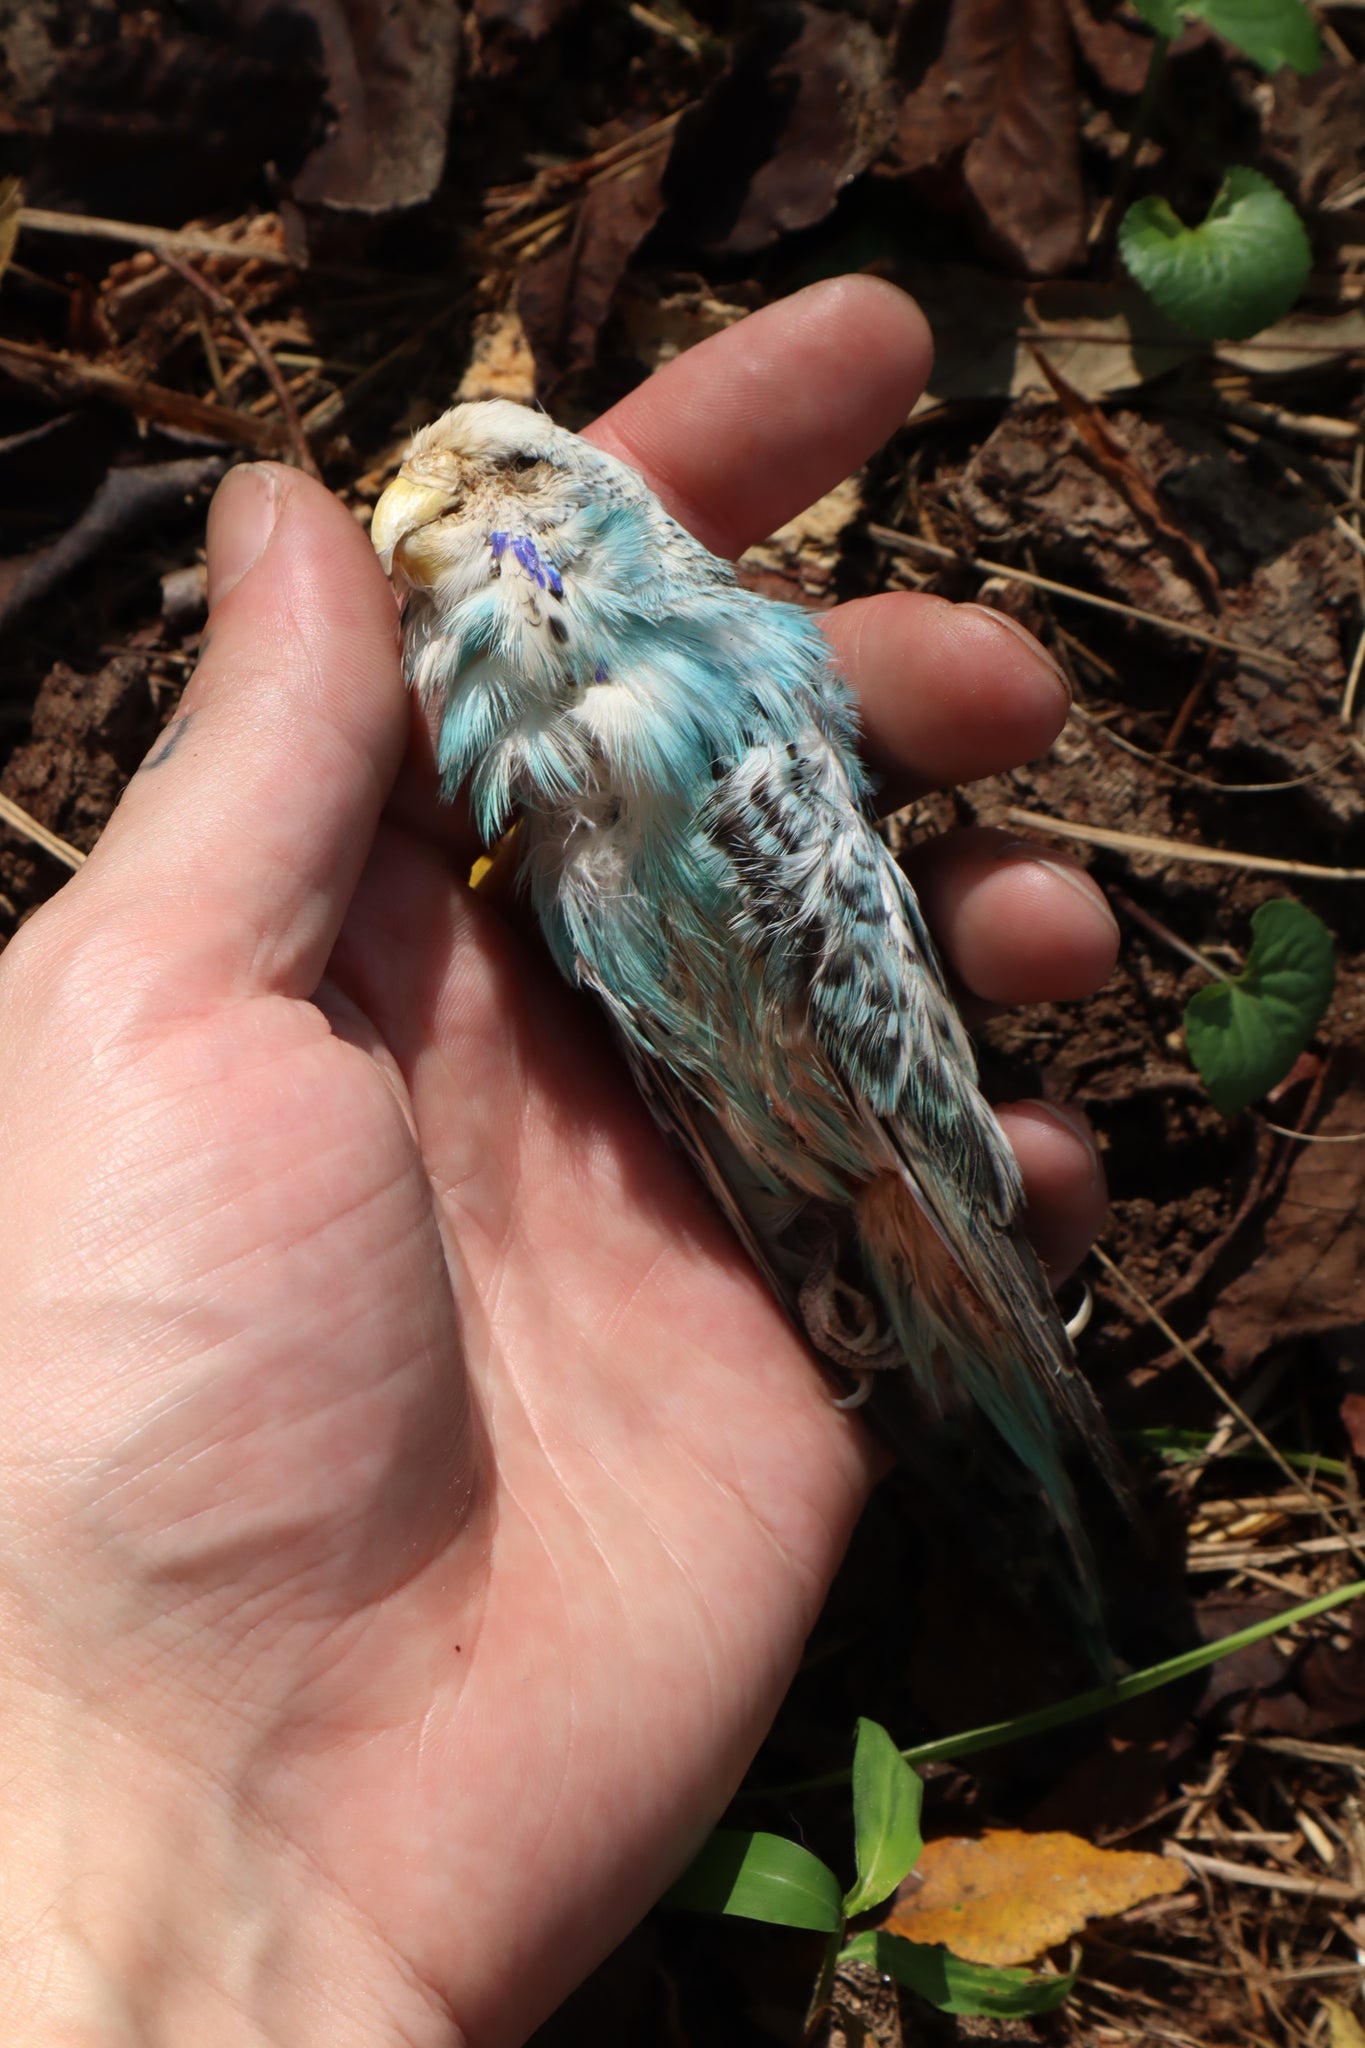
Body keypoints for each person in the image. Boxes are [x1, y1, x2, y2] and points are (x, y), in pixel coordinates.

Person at [0, 278, 1117, 2046]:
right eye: (422, 506)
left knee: (998, 1387)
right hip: (753, 1151)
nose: (442, 521)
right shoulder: (528, 777)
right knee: (952, 1398)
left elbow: (847, 1000)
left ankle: (1072, 1543)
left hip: (854, 1139)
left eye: (494, 484)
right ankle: (1042, 1537)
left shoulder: (721, 701)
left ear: (578, 507)